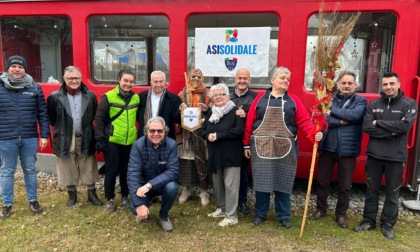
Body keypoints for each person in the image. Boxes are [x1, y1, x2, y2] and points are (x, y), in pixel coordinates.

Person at [243, 67, 323, 228]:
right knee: (262, 183)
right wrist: (246, 144)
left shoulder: (293, 101)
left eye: (288, 78)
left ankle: (284, 216)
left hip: (286, 148)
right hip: (261, 147)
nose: (286, 80)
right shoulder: (259, 100)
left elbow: (304, 122)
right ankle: (260, 214)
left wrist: (315, 133)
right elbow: (249, 123)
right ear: (272, 80)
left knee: (284, 182)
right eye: (282, 78)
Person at [353, 72, 418, 240]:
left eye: (391, 84)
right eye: (385, 84)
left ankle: (387, 224)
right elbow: (367, 127)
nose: (388, 87)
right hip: (374, 156)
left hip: (396, 158)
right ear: (381, 86)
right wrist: (391, 132)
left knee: (392, 193)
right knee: (371, 191)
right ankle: (368, 221)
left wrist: (379, 122)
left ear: (398, 84)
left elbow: (404, 127)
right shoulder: (373, 104)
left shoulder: (409, 104)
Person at [311, 71, 367, 228]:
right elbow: (323, 118)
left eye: (350, 83)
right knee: (322, 182)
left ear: (355, 85)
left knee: (345, 186)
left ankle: (341, 214)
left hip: (347, 151)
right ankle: (321, 209)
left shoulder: (361, 101)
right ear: (338, 85)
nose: (346, 86)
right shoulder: (330, 98)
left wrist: (331, 111)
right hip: (327, 148)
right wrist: (339, 120)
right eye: (344, 83)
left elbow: (355, 115)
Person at [0, 55, 50, 218]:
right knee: (7, 171)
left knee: (30, 170)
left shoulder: (34, 88)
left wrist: (44, 135)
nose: (17, 69)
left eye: (20, 67)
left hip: (29, 137)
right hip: (6, 138)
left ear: (25, 70)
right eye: (13, 66)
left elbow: (43, 113)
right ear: (7, 68)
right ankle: (7, 204)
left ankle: (33, 201)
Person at [47, 66, 103, 207]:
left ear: (81, 78)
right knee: (67, 165)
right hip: (65, 136)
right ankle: (72, 195)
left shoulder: (90, 96)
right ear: (64, 79)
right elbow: (52, 119)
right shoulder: (54, 97)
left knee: (88, 164)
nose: (74, 80)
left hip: (85, 135)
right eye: (70, 78)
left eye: (77, 78)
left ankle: (92, 194)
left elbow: (94, 115)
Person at [198, 83, 244, 227]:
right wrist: (207, 136)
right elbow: (202, 130)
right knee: (218, 185)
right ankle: (222, 209)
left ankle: (231, 216)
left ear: (227, 96)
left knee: (230, 186)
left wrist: (218, 135)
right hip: (215, 154)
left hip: (231, 155)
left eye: (221, 94)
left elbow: (238, 131)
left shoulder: (236, 111)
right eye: (215, 95)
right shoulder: (212, 112)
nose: (218, 97)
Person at [95, 69, 140, 212]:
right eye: (125, 80)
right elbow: (99, 119)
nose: (128, 84)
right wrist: (99, 139)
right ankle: (110, 198)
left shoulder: (136, 98)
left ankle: (125, 196)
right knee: (111, 170)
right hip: (113, 140)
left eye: (131, 81)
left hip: (129, 141)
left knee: (126, 170)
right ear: (119, 80)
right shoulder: (108, 97)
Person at [127, 116, 179, 232]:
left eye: (160, 131)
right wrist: (139, 204)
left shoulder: (172, 145)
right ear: (146, 131)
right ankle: (144, 205)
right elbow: (133, 174)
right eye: (152, 131)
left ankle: (163, 216)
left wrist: (150, 185)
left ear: (165, 132)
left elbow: (172, 172)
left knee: (172, 187)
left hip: (160, 185)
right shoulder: (138, 145)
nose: (156, 134)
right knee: (135, 209)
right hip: (143, 187)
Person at [178, 68, 211, 206]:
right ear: (189, 77)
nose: (196, 79)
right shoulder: (182, 93)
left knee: (203, 160)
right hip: (187, 134)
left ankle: (204, 190)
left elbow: (214, 112)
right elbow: (176, 112)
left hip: (202, 135)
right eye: (193, 76)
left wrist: (207, 109)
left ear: (202, 78)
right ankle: (186, 189)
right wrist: (180, 109)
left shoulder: (208, 94)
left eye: (198, 77)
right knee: (187, 161)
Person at [229, 68, 257, 215]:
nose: (242, 81)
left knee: (242, 174)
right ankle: (227, 203)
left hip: (243, 142)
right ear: (235, 79)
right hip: (227, 140)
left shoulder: (255, 97)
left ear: (249, 80)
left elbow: (258, 119)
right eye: (239, 78)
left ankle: (242, 202)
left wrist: (246, 114)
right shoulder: (227, 94)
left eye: (245, 78)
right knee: (226, 172)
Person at [137, 71, 182, 140]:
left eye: (161, 82)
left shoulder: (174, 99)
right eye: (155, 82)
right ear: (151, 82)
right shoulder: (141, 96)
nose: (158, 84)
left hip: (166, 139)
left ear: (165, 82)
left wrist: (183, 112)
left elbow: (178, 120)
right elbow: (137, 117)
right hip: (144, 138)